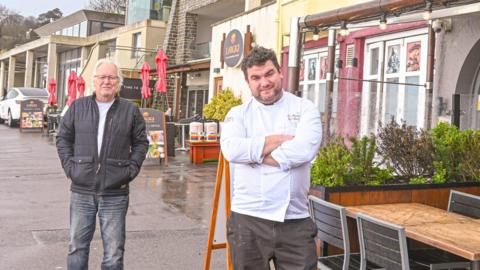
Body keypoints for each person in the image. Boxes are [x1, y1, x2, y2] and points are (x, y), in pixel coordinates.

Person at [220, 46, 322, 270]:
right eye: (255, 78)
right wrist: (277, 140)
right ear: (248, 82)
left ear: (280, 72)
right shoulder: (237, 114)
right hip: (247, 219)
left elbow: (304, 150)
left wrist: (254, 154)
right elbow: (232, 150)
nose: (264, 82)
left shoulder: (305, 109)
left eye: (269, 74)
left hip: (295, 220)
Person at [56, 59, 148, 270]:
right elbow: (63, 138)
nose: (107, 81)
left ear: (118, 83)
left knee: (114, 252)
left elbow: (141, 142)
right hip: (81, 190)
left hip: (115, 192)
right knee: (77, 247)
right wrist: (71, 168)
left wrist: (130, 170)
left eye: (112, 77)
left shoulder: (130, 110)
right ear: (94, 81)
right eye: (102, 77)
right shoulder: (78, 107)